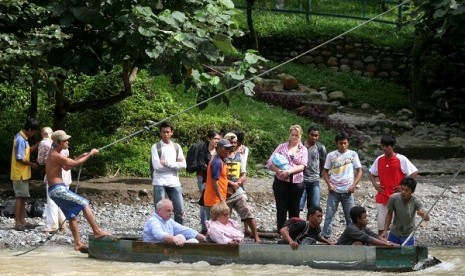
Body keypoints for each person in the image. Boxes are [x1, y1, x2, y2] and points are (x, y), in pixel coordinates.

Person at [46, 130, 109, 252]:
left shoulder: (55, 153)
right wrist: (90, 154)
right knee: (84, 203)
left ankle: (78, 243)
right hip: (58, 190)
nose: (67, 142)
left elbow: (66, 166)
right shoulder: (55, 155)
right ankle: (97, 231)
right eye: (65, 141)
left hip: (55, 190)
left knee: (72, 215)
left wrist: (82, 156)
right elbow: (74, 163)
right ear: (58, 142)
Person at [369, 134, 418, 234]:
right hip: (382, 196)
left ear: (393, 146)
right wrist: (375, 185)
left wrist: (403, 187)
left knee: (399, 225)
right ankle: (382, 245)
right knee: (381, 224)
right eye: (383, 146)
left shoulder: (401, 159)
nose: (385, 148)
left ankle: (398, 245)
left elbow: (414, 172)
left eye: (387, 146)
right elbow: (371, 173)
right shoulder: (379, 159)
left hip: (398, 197)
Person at [266, 125, 308, 232]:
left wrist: (289, 172)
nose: (294, 137)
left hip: (296, 183)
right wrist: (279, 171)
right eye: (292, 135)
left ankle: (293, 231)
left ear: (300, 136)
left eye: (296, 135)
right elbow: (270, 162)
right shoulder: (281, 147)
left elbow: (303, 166)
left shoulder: (303, 149)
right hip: (281, 181)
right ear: (289, 135)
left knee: (294, 209)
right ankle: (281, 230)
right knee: (281, 208)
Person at [322, 132, 362, 239]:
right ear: (337, 143)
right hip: (334, 190)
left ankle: (352, 237)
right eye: (340, 143)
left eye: (345, 143)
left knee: (351, 216)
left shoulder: (353, 154)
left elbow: (359, 171)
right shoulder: (331, 155)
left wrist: (354, 185)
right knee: (329, 215)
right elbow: (325, 171)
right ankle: (326, 236)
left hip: (348, 191)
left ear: (348, 143)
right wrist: (329, 184)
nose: (343, 145)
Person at [223, 132, 260, 243]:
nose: (233, 145)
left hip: (237, 189)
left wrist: (238, 183)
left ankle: (255, 235)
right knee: (225, 215)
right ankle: (226, 237)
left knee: (247, 211)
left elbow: (244, 174)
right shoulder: (220, 157)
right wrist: (230, 184)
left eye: (235, 143)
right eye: (230, 143)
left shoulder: (240, 156)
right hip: (224, 189)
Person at [37, 127, 72, 233]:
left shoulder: (44, 143)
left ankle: (53, 225)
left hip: (54, 176)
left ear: (43, 134)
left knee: (52, 200)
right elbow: (67, 158)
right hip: (66, 175)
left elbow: (40, 161)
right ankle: (62, 224)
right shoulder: (64, 143)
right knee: (62, 199)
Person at [151, 121, 186, 224]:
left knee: (179, 209)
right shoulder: (155, 147)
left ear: (172, 133)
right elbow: (157, 166)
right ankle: (160, 228)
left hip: (174, 181)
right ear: (160, 133)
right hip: (159, 182)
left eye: (167, 132)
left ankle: (180, 230)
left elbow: (184, 165)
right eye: (163, 132)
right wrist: (175, 164)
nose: (165, 134)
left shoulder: (177, 147)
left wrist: (166, 163)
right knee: (160, 210)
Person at [10, 118, 40, 231]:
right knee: (20, 198)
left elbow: (26, 151)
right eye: (34, 132)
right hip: (19, 174)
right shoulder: (20, 139)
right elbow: (19, 158)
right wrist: (32, 164)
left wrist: (38, 145)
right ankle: (18, 223)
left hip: (23, 174)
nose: (34, 134)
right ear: (29, 129)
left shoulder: (24, 138)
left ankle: (23, 221)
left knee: (23, 198)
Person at [382, 177, 430, 246]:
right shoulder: (393, 198)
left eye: (406, 190)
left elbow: (427, 218)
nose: (403, 192)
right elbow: (389, 214)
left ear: (412, 191)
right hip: (394, 233)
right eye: (402, 189)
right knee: (391, 254)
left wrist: (422, 215)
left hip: (408, 235)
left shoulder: (416, 201)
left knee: (407, 255)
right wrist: (385, 231)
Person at [196, 130, 221, 234]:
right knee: (204, 203)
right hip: (204, 180)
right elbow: (202, 166)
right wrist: (213, 168)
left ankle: (215, 226)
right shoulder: (203, 151)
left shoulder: (219, 152)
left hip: (216, 180)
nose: (217, 141)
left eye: (218, 139)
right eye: (215, 139)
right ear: (209, 139)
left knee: (214, 202)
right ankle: (204, 227)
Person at [203, 139, 235, 218]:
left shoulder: (221, 161)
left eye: (229, 149)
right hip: (214, 201)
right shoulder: (217, 162)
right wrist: (221, 199)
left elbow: (221, 179)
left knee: (218, 225)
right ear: (218, 148)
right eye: (225, 148)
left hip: (216, 200)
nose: (228, 151)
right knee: (214, 226)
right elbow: (215, 182)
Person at [299, 127, 326, 211]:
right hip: (301, 179)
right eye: (312, 135)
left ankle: (310, 224)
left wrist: (320, 173)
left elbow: (323, 162)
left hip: (314, 180)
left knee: (314, 208)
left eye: (316, 135)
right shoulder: (300, 146)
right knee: (298, 206)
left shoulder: (320, 148)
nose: (314, 137)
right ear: (307, 134)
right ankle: (296, 223)